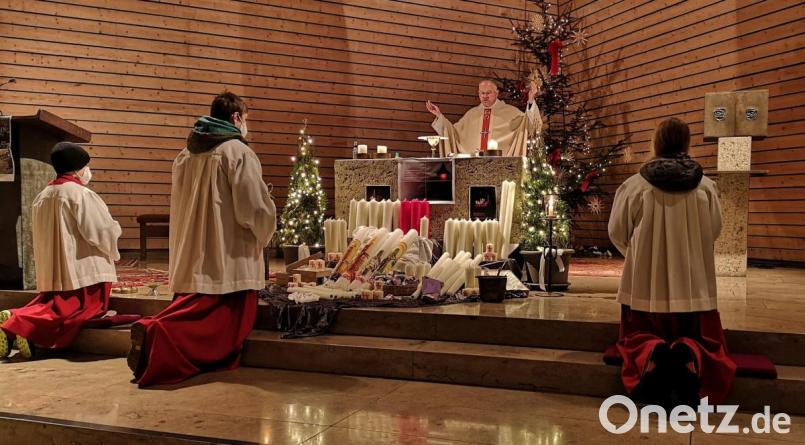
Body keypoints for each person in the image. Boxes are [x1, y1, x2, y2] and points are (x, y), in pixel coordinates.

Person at [127, 92, 276, 386]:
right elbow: (253, 207)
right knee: (218, 322)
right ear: (236, 118)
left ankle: (154, 333)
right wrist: (266, 229)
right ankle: (156, 330)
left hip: (192, 247)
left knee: (194, 309)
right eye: (246, 119)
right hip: (227, 253)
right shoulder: (237, 152)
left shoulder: (185, 154)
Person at [608, 117, 736, 407]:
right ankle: (688, 351)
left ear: (656, 142)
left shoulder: (634, 185)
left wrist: (638, 257)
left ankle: (653, 351)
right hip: (694, 291)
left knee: (637, 336)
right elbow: (714, 229)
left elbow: (616, 231)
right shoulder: (705, 186)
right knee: (703, 338)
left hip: (646, 290)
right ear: (686, 144)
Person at [0, 142, 120, 359]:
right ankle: (21, 321)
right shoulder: (81, 194)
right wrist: (114, 236)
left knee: (53, 304)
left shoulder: (43, 195)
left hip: (54, 271)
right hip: (83, 270)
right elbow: (100, 231)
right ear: (78, 168)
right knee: (79, 312)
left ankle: (12, 322)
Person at [426, 79, 542, 157]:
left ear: (497, 93)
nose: (485, 97)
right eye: (482, 93)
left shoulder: (510, 112)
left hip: (500, 166)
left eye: (488, 93)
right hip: (474, 167)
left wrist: (531, 101)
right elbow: (453, 133)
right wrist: (439, 117)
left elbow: (529, 124)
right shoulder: (471, 114)